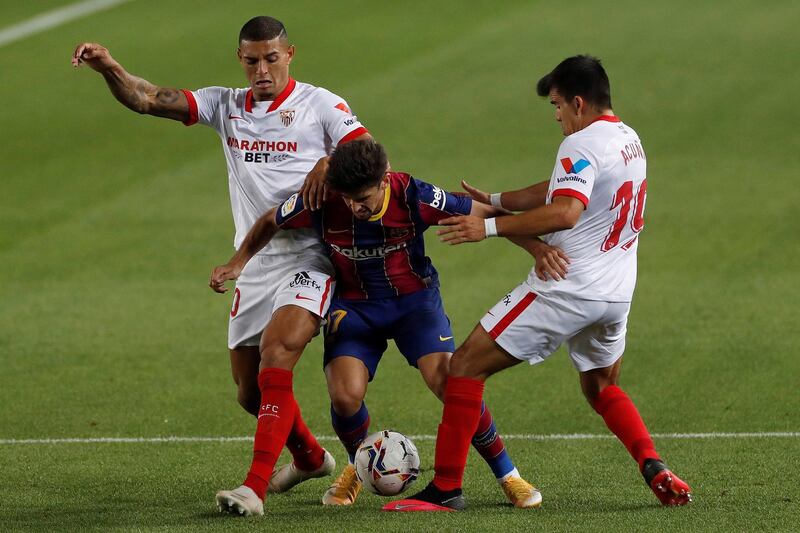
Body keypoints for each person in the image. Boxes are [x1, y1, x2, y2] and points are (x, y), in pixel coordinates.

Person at [72, 16, 371, 516]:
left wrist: (327, 164)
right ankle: (310, 456)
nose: (261, 69)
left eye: (271, 58)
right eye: (252, 59)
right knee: (250, 393)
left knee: (279, 354)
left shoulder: (320, 104)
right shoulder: (225, 105)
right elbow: (149, 97)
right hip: (254, 261)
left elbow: (365, 151)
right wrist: (110, 68)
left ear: (289, 54)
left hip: (310, 257)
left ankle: (253, 488)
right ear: (241, 59)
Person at [383, 55, 693, 512]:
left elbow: (566, 210)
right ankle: (653, 464)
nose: (556, 115)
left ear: (579, 103)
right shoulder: (628, 139)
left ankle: (445, 488)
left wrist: (487, 227)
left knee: (464, 365)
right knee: (601, 386)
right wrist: (494, 199)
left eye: (557, 105)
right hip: (617, 291)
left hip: (568, 284)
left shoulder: (581, 143)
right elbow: (558, 187)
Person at [210, 139, 564, 511]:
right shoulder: (326, 199)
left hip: (414, 304)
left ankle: (509, 475)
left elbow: (487, 211)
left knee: (448, 381)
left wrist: (538, 248)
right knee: (345, 395)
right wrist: (238, 263)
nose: (354, 207)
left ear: (385, 179)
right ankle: (356, 466)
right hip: (355, 308)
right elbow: (270, 219)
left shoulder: (415, 195)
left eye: (362, 198)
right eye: (348, 199)